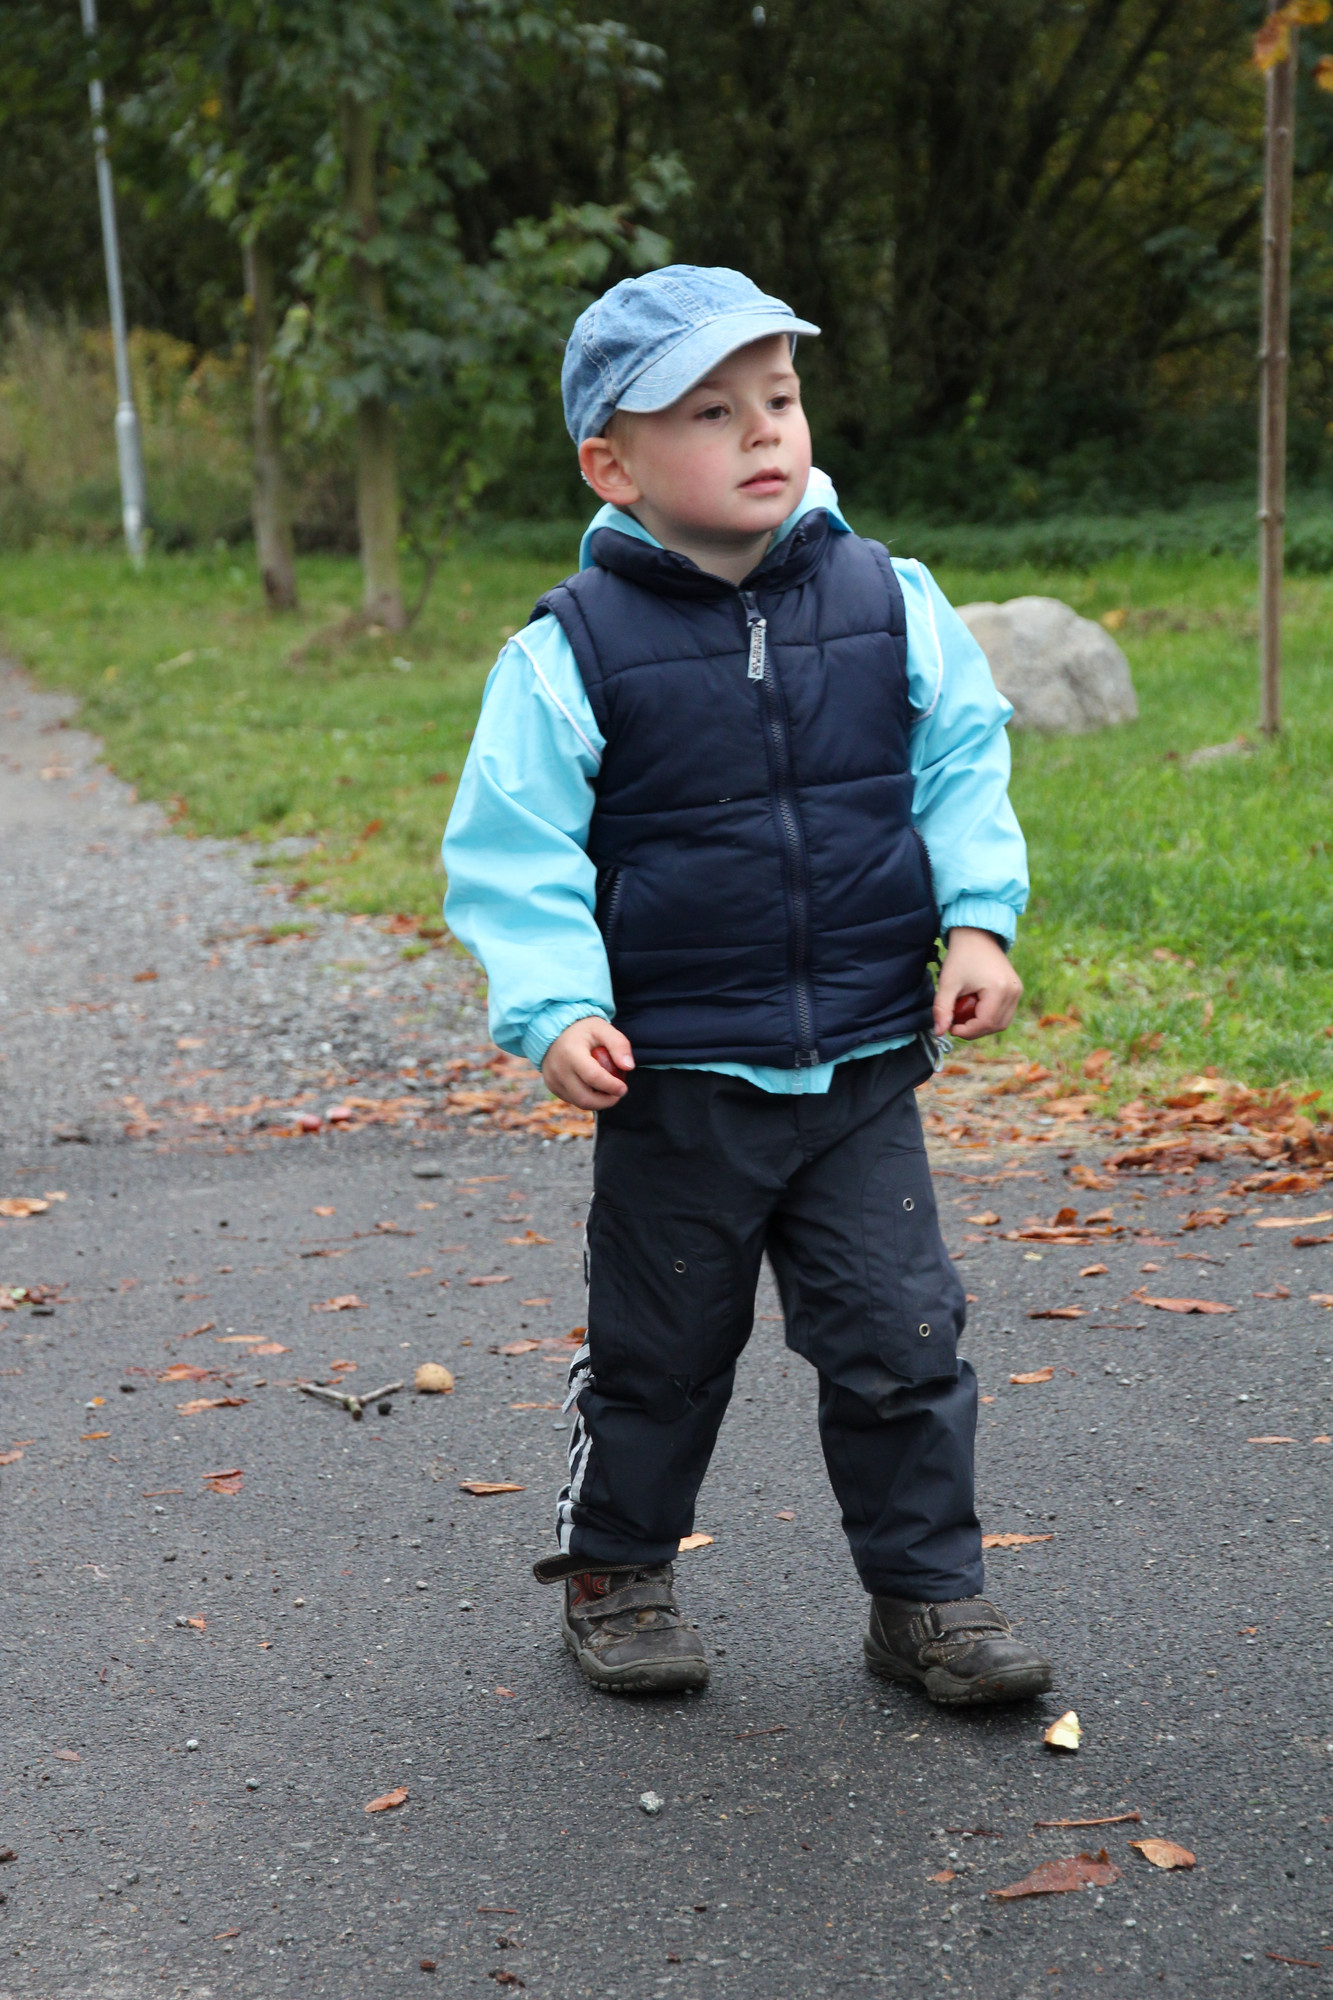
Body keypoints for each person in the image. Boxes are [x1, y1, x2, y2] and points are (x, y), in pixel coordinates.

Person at [443, 265, 1052, 1707]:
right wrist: (556, 1010)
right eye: (709, 413)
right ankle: (617, 1572)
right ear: (613, 465)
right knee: (659, 1349)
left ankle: (926, 1600)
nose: (762, 430)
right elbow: (516, 852)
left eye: (776, 397)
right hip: (679, 1081)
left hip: (861, 1065)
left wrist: (978, 923)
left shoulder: (886, 598)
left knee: (904, 1338)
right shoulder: (570, 652)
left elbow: (961, 763)